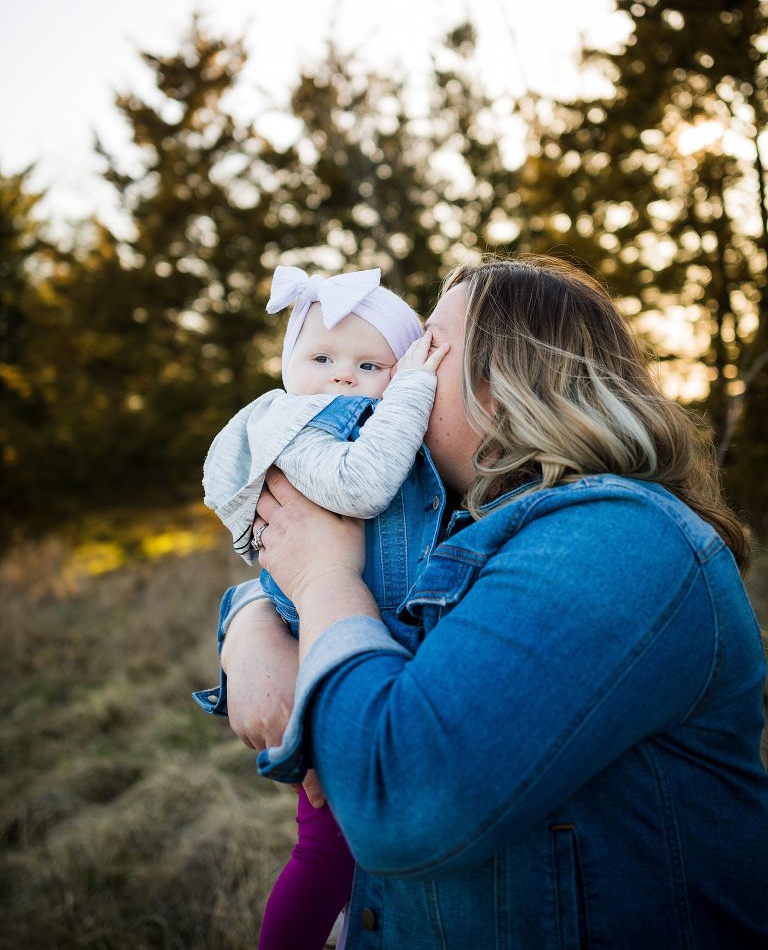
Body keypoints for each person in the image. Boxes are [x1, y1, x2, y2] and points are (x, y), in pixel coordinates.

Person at [221, 255, 768, 949]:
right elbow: (366, 593)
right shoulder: (469, 522)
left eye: (429, 346)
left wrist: (323, 580)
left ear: (505, 384)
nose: (398, 367)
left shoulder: (620, 539)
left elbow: (402, 800)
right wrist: (252, 618)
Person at [194, 264, 449, 950]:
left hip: (368, 646)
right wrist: (414, 387)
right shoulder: (301, 426)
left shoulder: (367, 423)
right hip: (328, 658)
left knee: (358, 850)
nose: (342, 376)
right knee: (329, 848)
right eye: (322, 358)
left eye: (369, 363)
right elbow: (363, 485)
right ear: (287, 367)